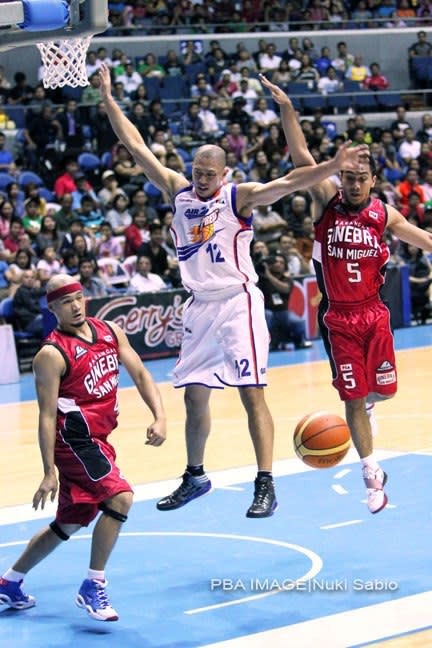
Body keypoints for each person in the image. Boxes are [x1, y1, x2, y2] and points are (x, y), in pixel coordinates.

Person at [98, 63, 368, 519]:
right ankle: (195, 475)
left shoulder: (238, 198)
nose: (201, 178)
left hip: (238, 302)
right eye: (197, 171)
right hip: (199, 307)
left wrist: (330, 167)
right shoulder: (177, 192)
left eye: (209, 173)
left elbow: (290, 182)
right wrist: (107, 97)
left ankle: (265, 483)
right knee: (194, 394)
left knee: (251, 393)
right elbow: (136, 145)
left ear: (224, 174)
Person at [261, 74, 432, 515]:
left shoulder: (384, 214)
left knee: (386, 392)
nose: (353, 184)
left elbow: (423, 239)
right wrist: (287, 109)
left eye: (360, 178)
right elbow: (301, 156)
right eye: (348, 177)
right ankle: (372, 476)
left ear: (373, 180)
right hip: (338, 318)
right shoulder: (326, 201)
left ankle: (368, 410)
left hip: (374, 314)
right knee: (352, 398)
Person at [0, 274, 166, 619]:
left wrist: (159, 416)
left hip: (98, 440)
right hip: (73, 442)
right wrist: (49, 471)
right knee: (120, 497)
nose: (75, 306)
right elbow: (46, 416)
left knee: (69, 522)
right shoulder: (51, 353)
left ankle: (9, 583)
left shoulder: (108, 331)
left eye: (78, 298)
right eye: (66, 302)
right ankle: (93, 585)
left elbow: (141, 373)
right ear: (53, 308)